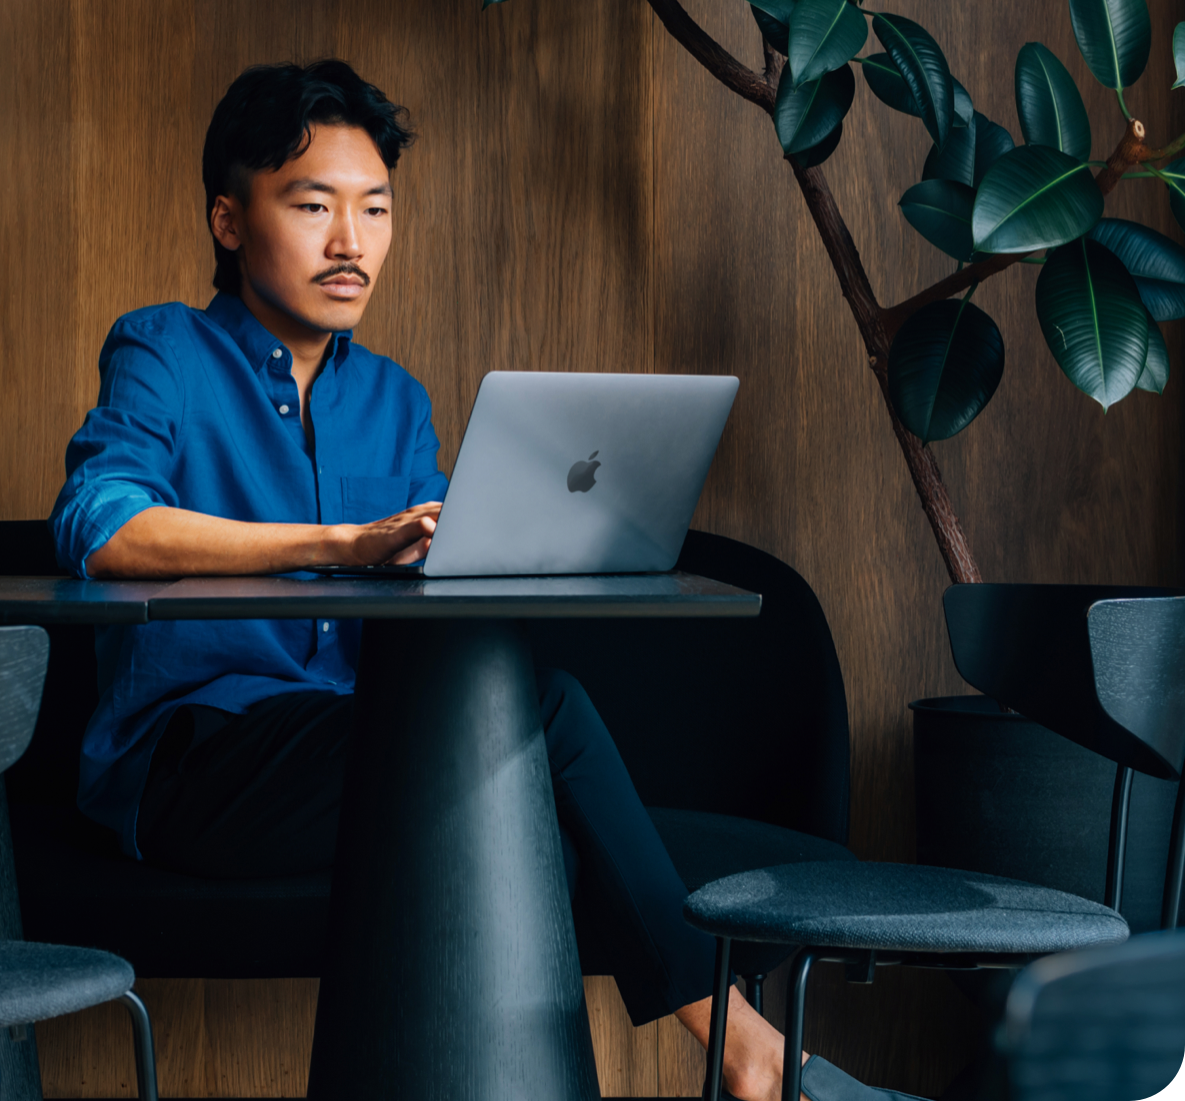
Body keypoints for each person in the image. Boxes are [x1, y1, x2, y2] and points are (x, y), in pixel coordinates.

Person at [48, 61, 803, 1101]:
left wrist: (507, 544)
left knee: (523, 749)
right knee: (542, 716)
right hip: (201, 766)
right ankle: (742, 1042)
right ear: (229, 219)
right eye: (313, 206)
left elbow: (430, 583)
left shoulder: (394, 400)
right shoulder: (162, 349)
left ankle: (741, 1048)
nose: (351, 243)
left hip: (359, 748)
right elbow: (103, 525)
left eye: (375, 209)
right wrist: (339, 542)